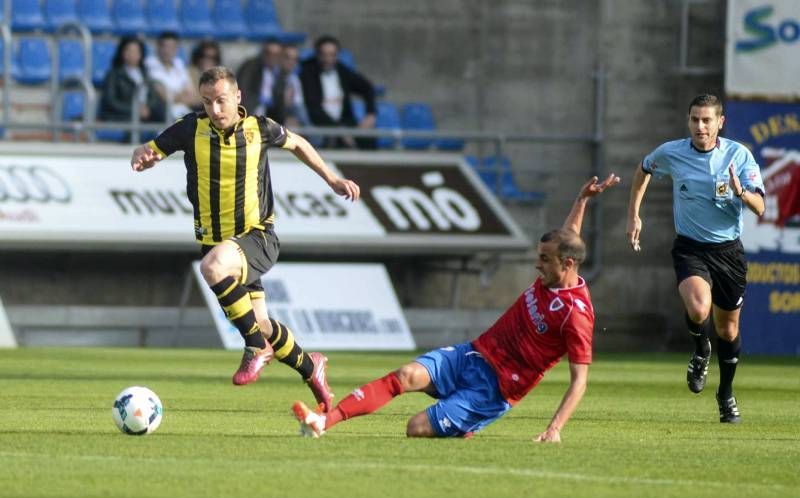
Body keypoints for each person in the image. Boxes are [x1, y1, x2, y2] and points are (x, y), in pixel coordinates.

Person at [293, 173, 620, 440]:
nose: (537, 264)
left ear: (568, 264)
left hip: (496, 388)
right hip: (473, 354)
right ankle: (323, 422)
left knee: (415, 429)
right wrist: (582, 200)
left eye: (544, 259)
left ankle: (465, 426)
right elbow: (570, 236)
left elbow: (579, 380)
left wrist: (554, 429)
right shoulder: (558, 268)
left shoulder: (576, 314)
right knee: (405, 375)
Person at [129, 66, 361, 411]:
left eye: (221, 100)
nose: (215, 109)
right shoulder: (191, 128)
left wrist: (331, 179)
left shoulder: (260, 128)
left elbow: (298, 143)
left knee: (213, 268)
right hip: (216, 239)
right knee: (263, 322)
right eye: (208, 102)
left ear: (238, 97)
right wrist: (142, 155)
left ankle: (254, 346)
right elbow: (152, 149)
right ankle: (313, 368)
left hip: (257, 237)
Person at [626, 93, 766, 424]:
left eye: (706, 120)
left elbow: (761, 207)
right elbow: (644, 169)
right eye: (694, 119)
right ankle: (701, 350)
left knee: (728, 331)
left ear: (720, 122)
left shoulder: (738, 155)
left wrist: (740, 192)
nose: (700, 126)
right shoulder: (672, 152)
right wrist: (634, 215)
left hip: (728, 253)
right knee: (699, 308)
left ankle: (726, 394)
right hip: (690, 247)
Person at [299, 35, 377, 150]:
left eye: (332, 55)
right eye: (324, 55)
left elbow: (367, 87)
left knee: (368, 138)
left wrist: (371, 113)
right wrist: (339, 130)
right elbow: (314, 108)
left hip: (345, 123)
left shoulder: (342, 71)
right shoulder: (308, 73)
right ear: (317, 54)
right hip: (320, 125)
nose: (328, 59)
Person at [98, 36, 166, 136]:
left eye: (136, 51)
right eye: (129, 50)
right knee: (134, 126)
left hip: (144, 116)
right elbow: (111, 101)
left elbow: (153, 97)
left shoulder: (145, 74)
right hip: (123, 116)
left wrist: (147, 108)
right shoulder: (114, 75)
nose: (132, 54)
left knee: (164, 115)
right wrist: (135, 110)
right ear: (122, 53)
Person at [144, 31, 194, 121]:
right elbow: (163, 96)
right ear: (158, 47)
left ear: (177, 49)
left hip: (183, 110)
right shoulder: (150, 63)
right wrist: (181, 96)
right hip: (162, 114)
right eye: (165, 46)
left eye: (172, 47)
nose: (168, 51)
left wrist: (175, 97)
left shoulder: (179, 64)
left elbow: (191, 94)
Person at [236, 39, 283, 117]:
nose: (272, 57)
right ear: (263, 53)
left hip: (273, 110)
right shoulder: (251, 67)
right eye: (268, 53)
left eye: (276, 54)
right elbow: (243, 90)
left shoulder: (281, 73)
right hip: (254, 107)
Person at [271, 44, 310, 128]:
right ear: (280, 58)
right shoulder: (272, 77)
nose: (291, 62)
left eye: (295, 59)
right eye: (287, 57)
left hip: (300, 120)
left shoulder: (298, 78)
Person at [187, 40, 222, 111]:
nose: (207, 60)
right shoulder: (189, 72)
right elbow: (191, 98)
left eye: (212, 57)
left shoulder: (221, 76)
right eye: (204, 56)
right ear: (198, 57)